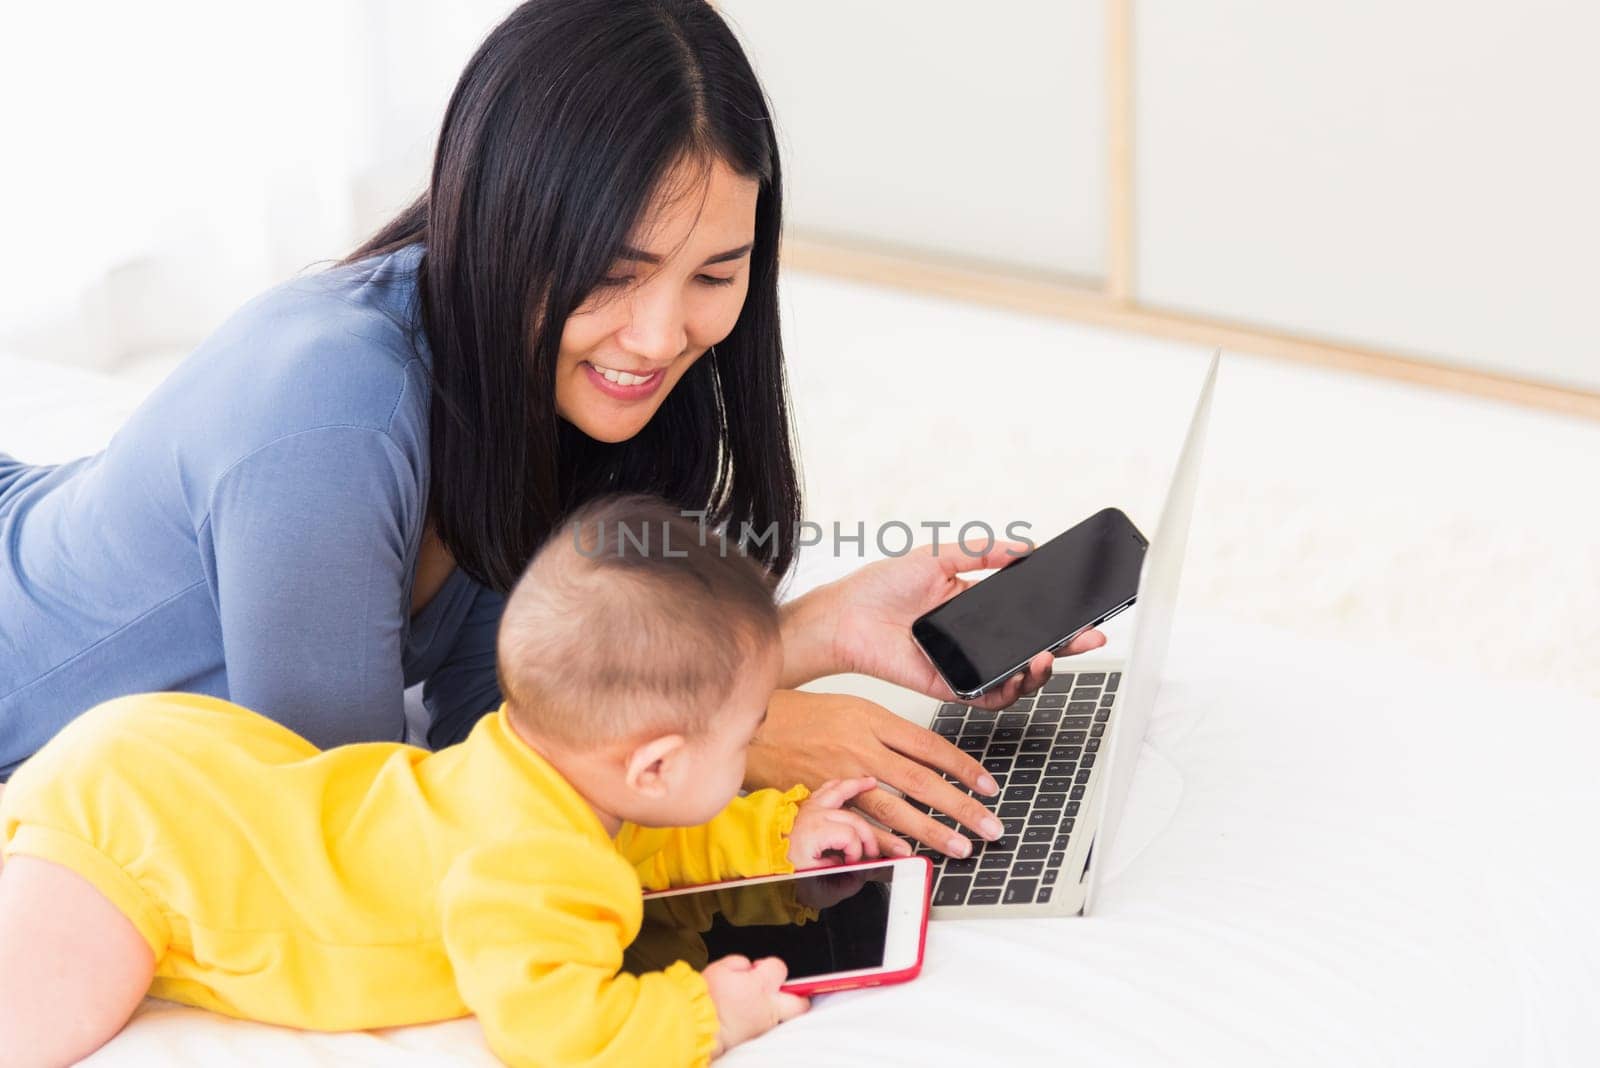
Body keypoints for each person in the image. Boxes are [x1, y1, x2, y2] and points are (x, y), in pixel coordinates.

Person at [0, 0, 1103, 856]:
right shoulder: (327, 419)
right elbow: (355, 832)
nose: (662, 335)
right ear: (500, 221)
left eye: (716, 273)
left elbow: (501, 715)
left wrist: (810, 636)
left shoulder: (537, 379)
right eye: (613, 275)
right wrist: (745, 736)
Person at [0, 496, 887, 1067]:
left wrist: (778, 835)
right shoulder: (532, 865)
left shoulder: (541, 771)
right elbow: (552, 1028)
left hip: (187, 778)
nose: (753, 757)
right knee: (35, 1032)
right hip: (142, 845)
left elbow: (656, 833)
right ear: (652, 763)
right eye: (745, 744)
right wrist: (706, 1015)